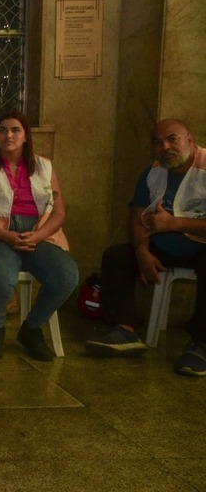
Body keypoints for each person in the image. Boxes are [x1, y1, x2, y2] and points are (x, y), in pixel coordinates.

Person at [85, 119, 206, 375]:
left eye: (172, 139)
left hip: (201, 249)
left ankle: (201, 344)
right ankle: (125, 330)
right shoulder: (152, 172)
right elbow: (137, 215)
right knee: (117, 257)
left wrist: (173, 223)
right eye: (157, 142)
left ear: (190, 140)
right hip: (161, 247)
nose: (165, 147)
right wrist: (142, 252)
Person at [0, 110, 78, 361]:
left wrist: (38, 236)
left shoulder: (45, 167)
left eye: (15, 130)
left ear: (26, 136)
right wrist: (6, 236)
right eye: (2, 130)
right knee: (0, 279)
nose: (8, 135)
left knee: (66, 277)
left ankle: (32, 328)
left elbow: (58, 212)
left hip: (38, 233)